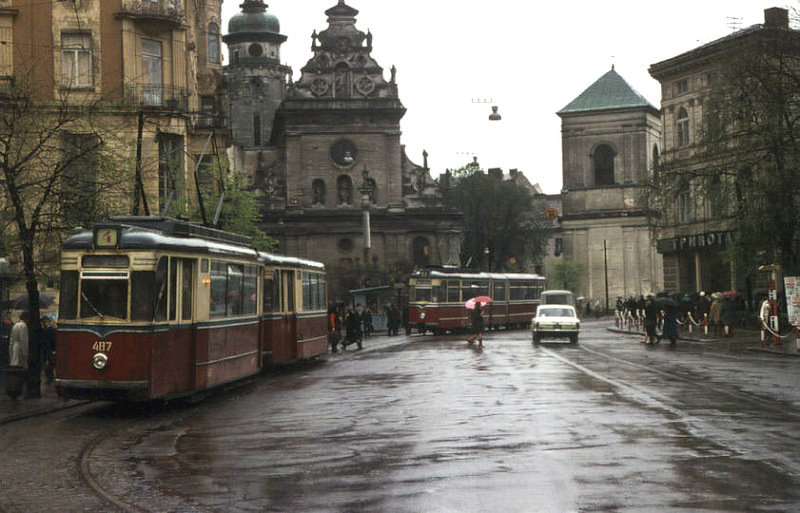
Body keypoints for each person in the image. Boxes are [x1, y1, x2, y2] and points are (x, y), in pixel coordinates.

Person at [39, 316, 57, 385]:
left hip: (48, 349)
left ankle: (49, 379)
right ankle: (49, 378)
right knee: (48, 365)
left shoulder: (49, 330)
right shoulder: (50, 330)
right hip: (48, 349)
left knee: (49, 365)